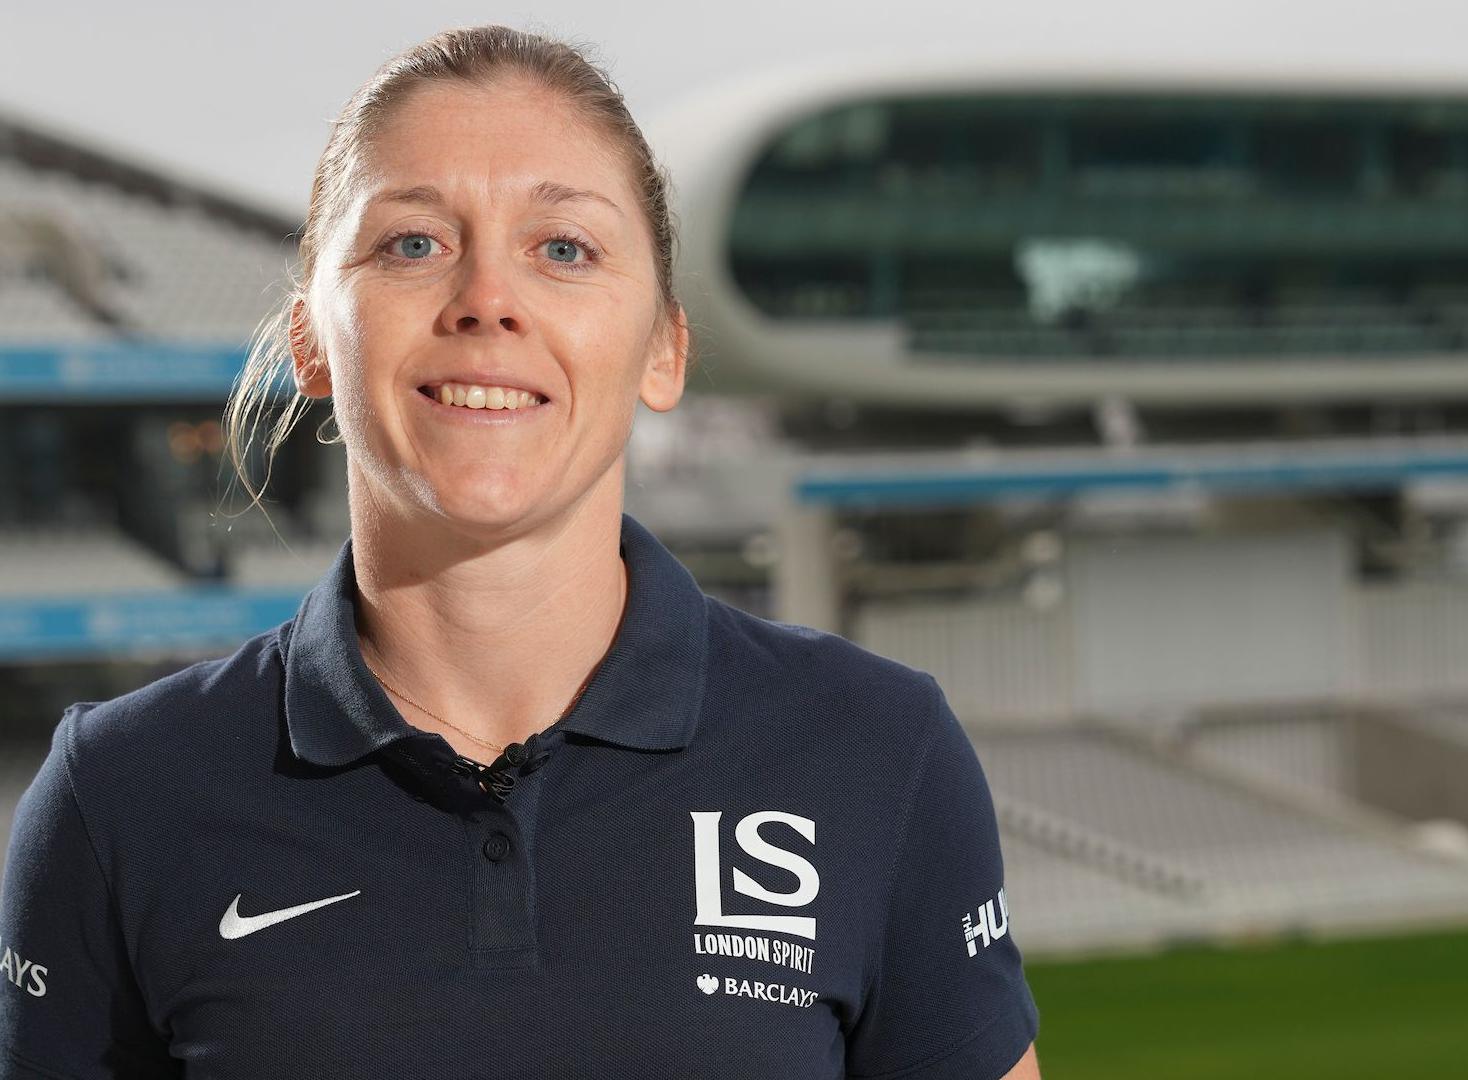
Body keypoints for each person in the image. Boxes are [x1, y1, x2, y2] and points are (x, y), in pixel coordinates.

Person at [0, 25, 1041, 1079]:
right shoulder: (120, 796)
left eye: (563, 249)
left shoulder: (876, 751)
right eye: (413, 243)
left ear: (665, 347)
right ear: (313, 339)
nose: (486, 300)